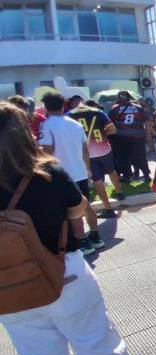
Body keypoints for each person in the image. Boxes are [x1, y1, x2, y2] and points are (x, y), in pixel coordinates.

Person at [0, 101, 156, 355]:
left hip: (11, 294)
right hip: (65, 275)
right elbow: (79, 210)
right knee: (101, 349)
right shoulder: (48, 175)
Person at [38, 92, 105, 255]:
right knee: (86, 206)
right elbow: (85, 150)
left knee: (72, 210)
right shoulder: (75, 125)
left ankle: (83, 241)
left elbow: (47, 151)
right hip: (80, 170)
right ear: (63, 106)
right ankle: (95, 237)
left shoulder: (47, 126)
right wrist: (87, 169)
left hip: (62, 174)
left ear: (46, 107)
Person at [68, 98, 125, 218]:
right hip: (104, 148)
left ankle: (108, 208)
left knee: (97, 180)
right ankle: (119, 192)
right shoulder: (98, 112)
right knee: (111, 170)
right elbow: (113, 130)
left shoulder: (69, 115)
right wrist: (101, 135)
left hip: (87, 153)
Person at [109, 91, 150, 182]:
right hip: (138, 136)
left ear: (118, 98)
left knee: (124, 157)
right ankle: (146, 175)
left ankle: (127, 176)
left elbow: (109, 123)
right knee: (140, 156)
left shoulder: (115, 109)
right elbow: (147, 122)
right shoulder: (138, 108)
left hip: (121, 136)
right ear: (129, 97)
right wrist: (147, 135)